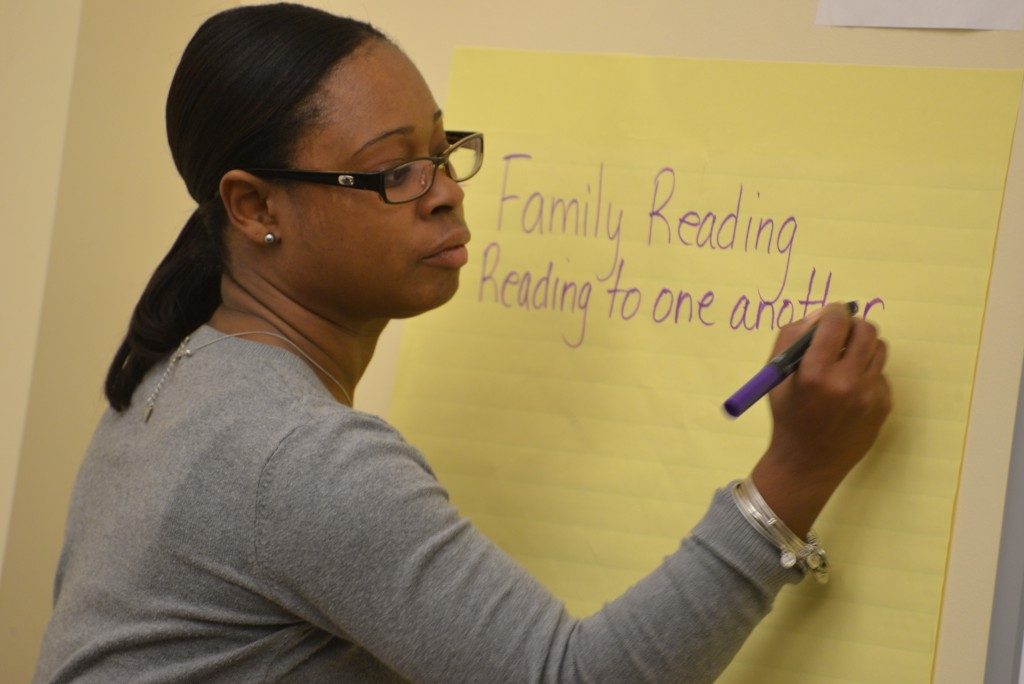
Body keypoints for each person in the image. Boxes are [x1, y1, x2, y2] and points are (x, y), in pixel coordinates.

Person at [33, 3, 891, 682]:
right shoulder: (297, 455)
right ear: (256, 208)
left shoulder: (183, 373)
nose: (444, 193)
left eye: (443, 153)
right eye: (393, 171)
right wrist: (796, 475)